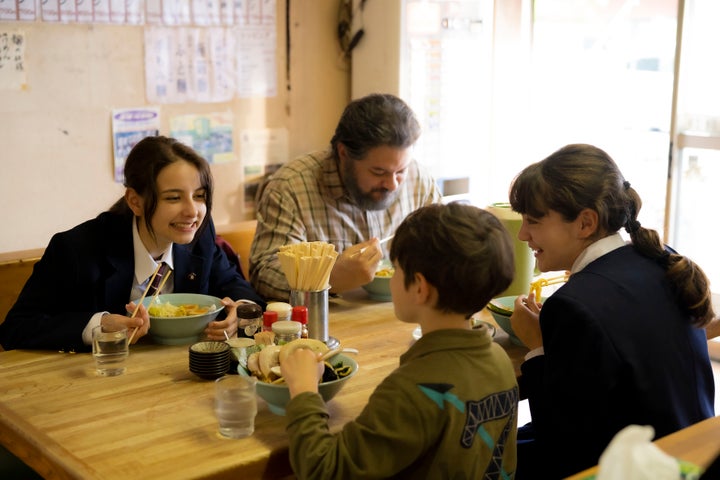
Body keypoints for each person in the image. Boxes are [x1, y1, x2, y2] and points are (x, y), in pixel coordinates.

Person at [507, 144, 715, 479]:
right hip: (691, 449)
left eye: (533, 221)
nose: (522, 234)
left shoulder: (572, 305)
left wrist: (537, 346)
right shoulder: (662, 260)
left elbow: (562, 443)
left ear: (585, 223)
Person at [280, 202, 520, 479]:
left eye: (395, 269)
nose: (392, 279)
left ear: (420, 287)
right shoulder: (500, 361)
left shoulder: (414, 389)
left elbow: (324, 469)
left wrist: (303, 390)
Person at [0, 136, 265, 352]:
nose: (192, 211)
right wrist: (99, 325)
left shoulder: (200, 239)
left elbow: (241, 292)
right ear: (135, 201)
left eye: (199, 196)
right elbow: (16, 328)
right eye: (174, 198)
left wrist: (238, 314)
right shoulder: (78, 250)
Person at [250, 93, 441, 301]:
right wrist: (328, 278)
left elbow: (443, 246)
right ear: (343, 153)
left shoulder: (419, 179)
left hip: (404, 317)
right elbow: (263, 273)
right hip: (325, 326)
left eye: (401, 171)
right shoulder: (290, 188)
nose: (393, 184)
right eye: (378, 172)